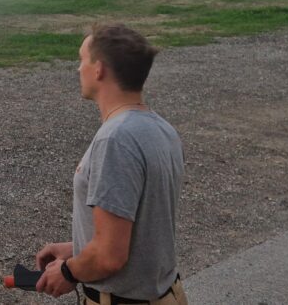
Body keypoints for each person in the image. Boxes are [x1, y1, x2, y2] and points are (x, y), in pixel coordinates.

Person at [34, 23, 188, 304]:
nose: (78, 69)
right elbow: (141, 231)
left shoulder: (116, 140)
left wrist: (68, 271)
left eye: (82, 60)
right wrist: (78, 248)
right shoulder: (160, 128)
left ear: (99, 69)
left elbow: (109, 256)